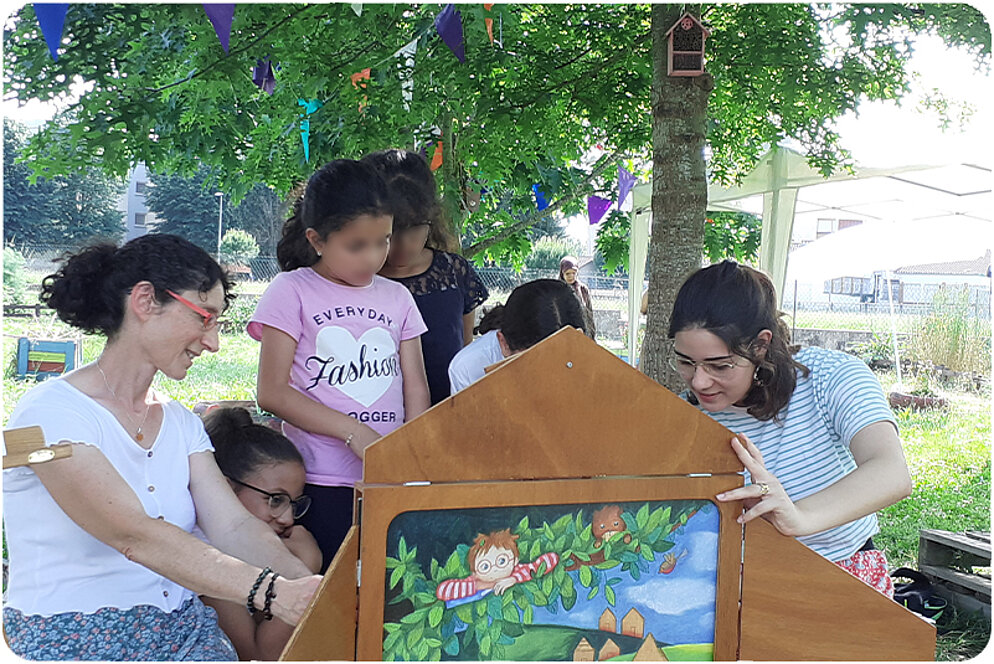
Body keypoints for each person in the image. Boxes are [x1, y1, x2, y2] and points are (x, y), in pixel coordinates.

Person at [2, 235, 320, 661]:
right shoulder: (46, 414)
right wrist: (271, 592)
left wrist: (316, 592)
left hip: (183, 632)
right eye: (205, 317)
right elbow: (132, 535)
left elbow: (234, 528)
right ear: (146, 301)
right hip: (70, 636)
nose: (214, 342)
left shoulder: (182, 423)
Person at [667, 260, 912, 597]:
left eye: (719, 365)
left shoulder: (830, 378)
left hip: (839, 578)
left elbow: (891, 472)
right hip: (732, 592)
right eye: (685, 362)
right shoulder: (681, 415)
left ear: (761, 345)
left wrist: (798, 516)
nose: (699, 381)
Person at [251, 159, 431, 570]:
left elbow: (415, 386)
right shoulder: (291, 290)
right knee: (334, 594)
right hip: (321, 478)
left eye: (383, 240)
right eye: (356, 246)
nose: (373, 256)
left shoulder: (398, 298)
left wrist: (411, 450)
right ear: (316, 239)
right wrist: (353, 432)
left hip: (388, 478)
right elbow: (272, 391)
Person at [364, 148, 489, 405]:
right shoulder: (356, 279)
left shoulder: (454, 273)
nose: (404, 245)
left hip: (446, 416)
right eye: (392, 233)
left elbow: (464, 352)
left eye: (415, 231)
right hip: (374, 421)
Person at [200, 407, 323, 660]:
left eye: (294, 504)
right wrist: (307, 567)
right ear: (225, 488)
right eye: (276, 500)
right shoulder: (210, 560)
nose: (288, 518)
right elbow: (261, 655)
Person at [448, 279, 588, 393]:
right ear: (503, 343)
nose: (548, 378)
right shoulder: (469, 368)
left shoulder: (590, 362)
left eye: (560, 364)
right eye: (534, 366)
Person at [558, 255, 596, 339]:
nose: (571, 276)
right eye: (568, 273)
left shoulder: (583, 290)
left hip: (583, 335)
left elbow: (589, 314)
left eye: (574, 273)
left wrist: (591, 336)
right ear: (562, 273)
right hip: (563, 336)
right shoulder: (557, 290)